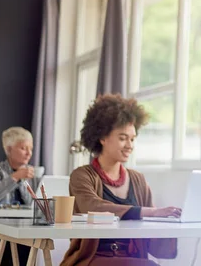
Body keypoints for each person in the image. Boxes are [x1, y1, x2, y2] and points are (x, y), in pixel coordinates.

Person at [61, 94, 181, 266]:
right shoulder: (82, 176)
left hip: (134, 257)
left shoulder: (138, 179)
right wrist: (149, 212)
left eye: (132, 139)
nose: (130, 145)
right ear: (102, 137)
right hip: (92, 258)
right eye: (123, 138)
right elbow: (93, 207)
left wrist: (171, 220)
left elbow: (152, 229)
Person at [0, 127, 36, 265]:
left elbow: (32, 204)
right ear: (9, 149)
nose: (28, 153)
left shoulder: (31, 174)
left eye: (30, 148)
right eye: (23, 148)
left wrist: (23, 181)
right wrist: (14, 177)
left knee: (32, 248)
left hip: (22, 232)